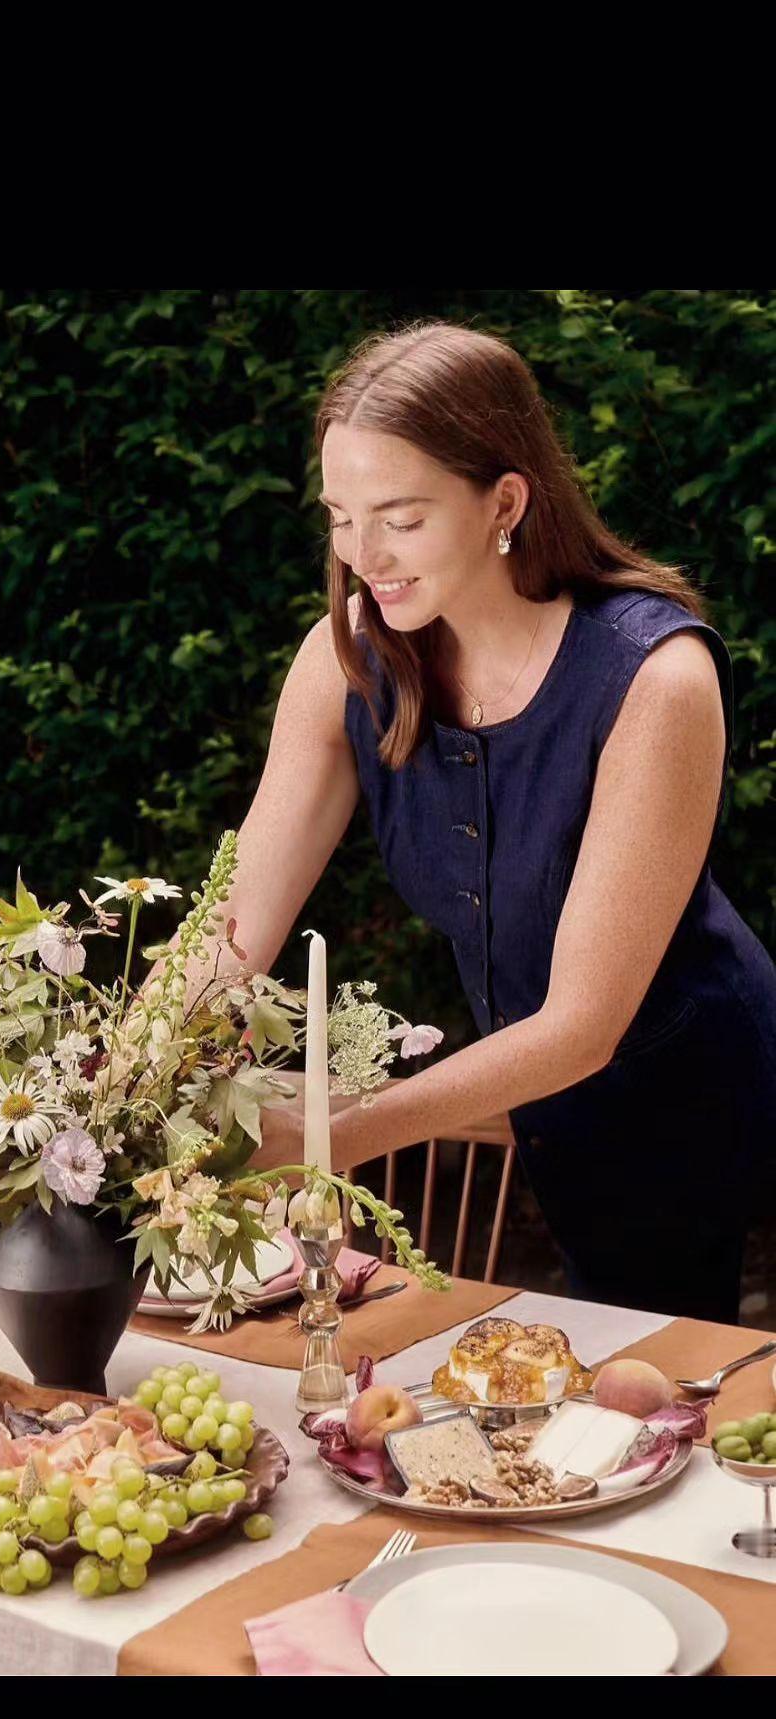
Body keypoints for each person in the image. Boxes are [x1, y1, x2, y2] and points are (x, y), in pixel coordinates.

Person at [167, 319, 776, 1325]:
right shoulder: (349, 660)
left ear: (505, 500)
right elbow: (229, 932)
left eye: (401, 518)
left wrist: (325, 1132)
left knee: (669, 1401)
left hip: (693, 1096)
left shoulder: (656, 679)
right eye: (339, 518)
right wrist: (107, 1085)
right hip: (546, 1094)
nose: (364, 557)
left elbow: (584, 1023)